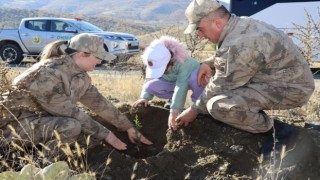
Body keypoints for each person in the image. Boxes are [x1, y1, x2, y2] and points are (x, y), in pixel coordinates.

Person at [176, 0, 315, 136]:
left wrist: (193, 110)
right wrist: (208, 63)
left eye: (200, 29)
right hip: (281, 80)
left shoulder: (240, 44)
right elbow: (229, 55)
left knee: (219, 105)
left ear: (217, 23)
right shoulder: (240, 25)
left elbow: (221, 84)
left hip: (291, 89)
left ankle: (276, 133)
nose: (199, 35)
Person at [0, 33, 152, 157]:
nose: (100, 62)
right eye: (98, 57)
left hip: (38, 122)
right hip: (11, 128)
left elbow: (100, 104)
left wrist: (128, 127)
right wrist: (107, 135)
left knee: (89, 135)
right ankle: (42, 164)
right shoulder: (46, 74)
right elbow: (70, 112)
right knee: (72, 127)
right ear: (82, 54)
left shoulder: (80, 75)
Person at [132, 36, 204, 130]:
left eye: (164, 68)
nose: (163, 71)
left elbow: (181, 86)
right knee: (150, 86)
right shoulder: (154, 58)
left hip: (191, 80)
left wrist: (174, 112)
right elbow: (150, 79)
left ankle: (198, 108)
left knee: (196, 78)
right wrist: (145, 97)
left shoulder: (184, 62)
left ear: (171, 60)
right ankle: (172, 100)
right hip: (172, 81)